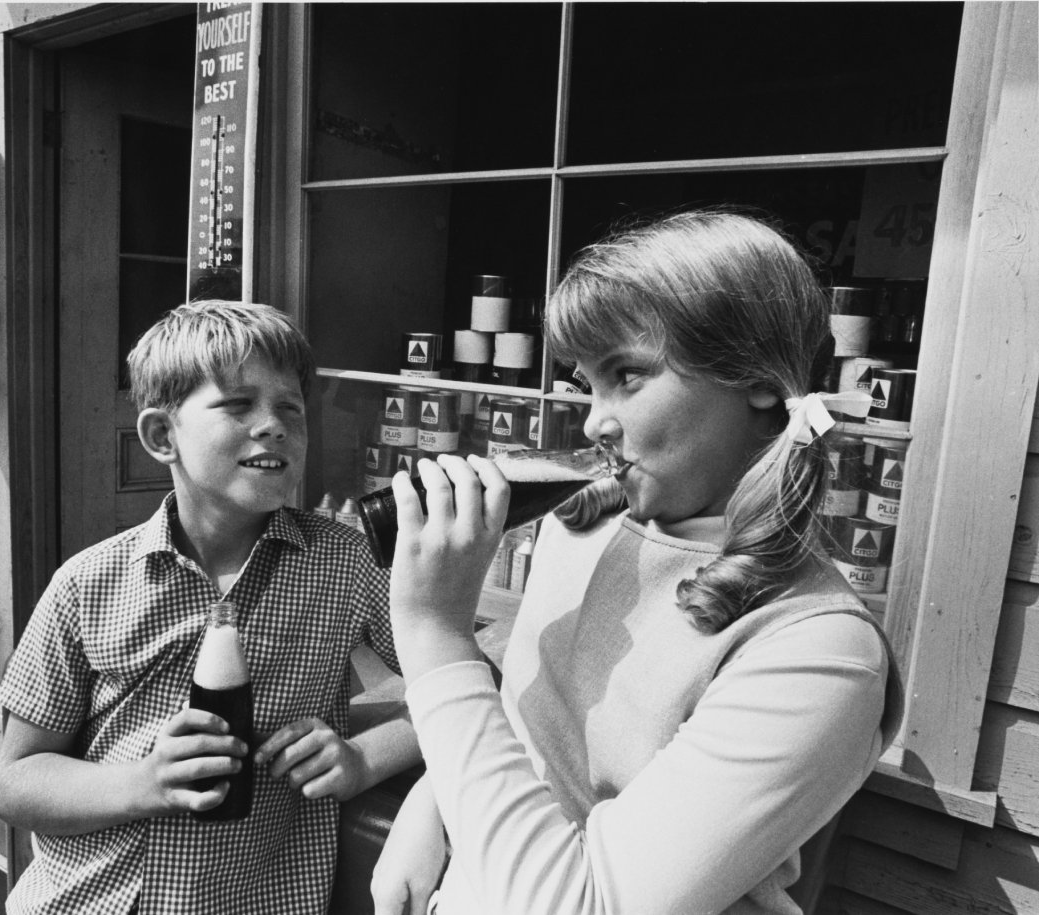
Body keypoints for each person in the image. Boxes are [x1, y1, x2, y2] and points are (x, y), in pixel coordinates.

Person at [371, 210, 903, 915]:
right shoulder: (582, 530)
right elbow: (526, 729)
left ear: (756, 377)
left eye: (626, 374)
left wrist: (435, 637)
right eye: (586, 381)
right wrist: (430, 798)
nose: (594, 419)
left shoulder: (818, 648)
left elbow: (580, 905)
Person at [0, 300, 420, 914]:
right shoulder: (88, 585)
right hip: (89, 899)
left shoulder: (344, 563)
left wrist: (363, 759)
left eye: (290, 407)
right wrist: (148, 781)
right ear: (163, 436)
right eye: (238, 404)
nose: (273, 424)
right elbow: (14, 782)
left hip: (254, 899)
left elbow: (466, 689)